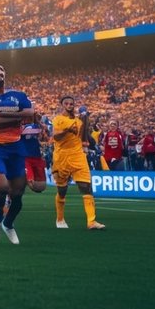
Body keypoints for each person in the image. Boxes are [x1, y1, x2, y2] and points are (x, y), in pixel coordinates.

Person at [0, 64, 37, 245]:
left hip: (16, 147)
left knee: (18, 194)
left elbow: (31, 113)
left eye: (2, 70)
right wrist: (17, 114)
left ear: (5, 75)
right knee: (2, 187)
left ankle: (8, 224)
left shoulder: (18, 95)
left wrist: (3, 112)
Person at [52, 96, 105, 230]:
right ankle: (60, 219)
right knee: (62, 190)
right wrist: (67, 130)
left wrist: (86, 121)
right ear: (62, 105)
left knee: (86, 187)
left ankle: (91, 222)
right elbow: (56, 137)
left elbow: (83, 138)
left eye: (71, 103)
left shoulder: (78, 121)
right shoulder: (58, 119)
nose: (69, 105)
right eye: (66, 103)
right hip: (62, 157)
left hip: (78, 156)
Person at [21, 117, 49, 194]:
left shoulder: (42, 127)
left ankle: (20, 181)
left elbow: (47, 139)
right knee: (30, 184)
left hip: (38, 157)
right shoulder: (22, 127)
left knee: (40, 187)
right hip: (25, 158)